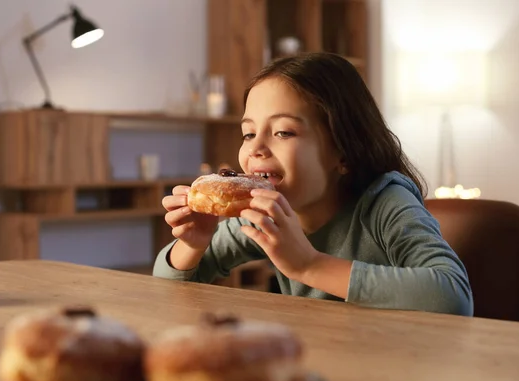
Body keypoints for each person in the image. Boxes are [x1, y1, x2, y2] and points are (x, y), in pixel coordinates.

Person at [153, 52, 473, 316]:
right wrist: (193, 244)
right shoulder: (264, 216)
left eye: (283, 132)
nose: (255, 148)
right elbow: (165, 285)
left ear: (344, 152)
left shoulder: (385, 201)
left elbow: (452, 297)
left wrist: (309, 265)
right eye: (248, 133)